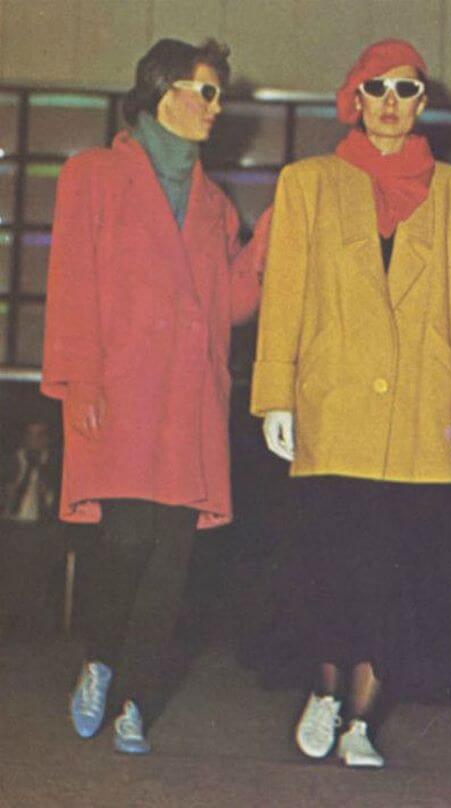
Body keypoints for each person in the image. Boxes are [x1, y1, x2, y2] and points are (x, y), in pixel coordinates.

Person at [250, 39, 451, 768]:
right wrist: (275, 395)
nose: (391, 103)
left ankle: (361, 721)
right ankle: (325, 694)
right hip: (333, 405)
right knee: (332, 565)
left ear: (423, 103)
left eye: (406, 89)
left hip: (423, 409)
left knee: (400, 575)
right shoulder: (306, 183)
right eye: (377, 88)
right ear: (354, 99)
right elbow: (284, 295)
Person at [41, 38, 263, 754]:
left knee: (172, 560)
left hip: (189, 402)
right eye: (207, 92)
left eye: (219, 95)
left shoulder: (215, 204)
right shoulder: (92, 175)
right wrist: (78, 380)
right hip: (120, 392)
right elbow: (71, 282)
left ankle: (137, 699)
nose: (216, 108)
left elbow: (230, 305)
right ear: (164, 91)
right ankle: (101, 661)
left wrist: (268, 242)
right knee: (125, 540)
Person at [0, 418, 62, 634]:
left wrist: (47, 491)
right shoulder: (10, 461)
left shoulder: (55, 465)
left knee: (38, 569)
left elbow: (59, 503)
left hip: (42, 528)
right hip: (11, 525)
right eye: (30, 435)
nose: (35, 441)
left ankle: (33, 623)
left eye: (40, 435)